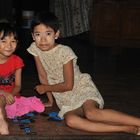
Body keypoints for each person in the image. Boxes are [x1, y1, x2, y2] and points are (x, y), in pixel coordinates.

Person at [27, 11, 140, 135]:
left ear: (56, 34)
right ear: (33, 36)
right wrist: (50, 100)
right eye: (38, 34)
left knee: (91, 114)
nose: (43, 40)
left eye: (48, 34)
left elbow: (68, 85)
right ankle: (127, 129)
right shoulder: (35, 49)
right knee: (71, 121)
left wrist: (46, 88)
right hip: (65, 99)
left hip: (81, 89)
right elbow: (43, 76)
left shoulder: (65, 52)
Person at [0, 22, 45, 135]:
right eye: (4, 41)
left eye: (13, 41)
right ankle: (1, 120)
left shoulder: (17, 61)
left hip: (10, 96)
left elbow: (18, 85)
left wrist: (10, 94)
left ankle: (1, 117)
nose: (9, 45)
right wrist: (4, 93)